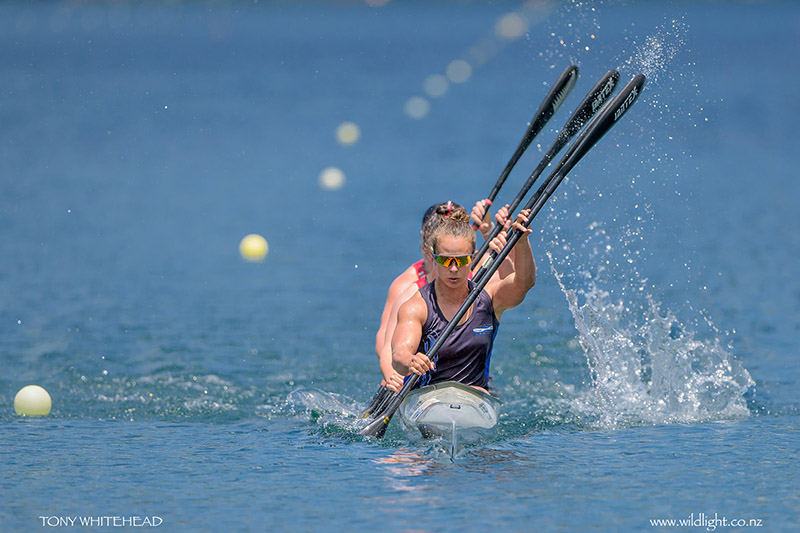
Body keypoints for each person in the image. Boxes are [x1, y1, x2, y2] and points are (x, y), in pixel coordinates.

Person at [376, 201, 516, 392]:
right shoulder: (407, 289)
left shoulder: (474, 275)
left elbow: (513, 282)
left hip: (473, 384)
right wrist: (392, 375)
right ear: (427, 242)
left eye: (459, 259)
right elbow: (386, 344)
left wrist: (489, 231)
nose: (453, 267)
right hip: (418, 383)